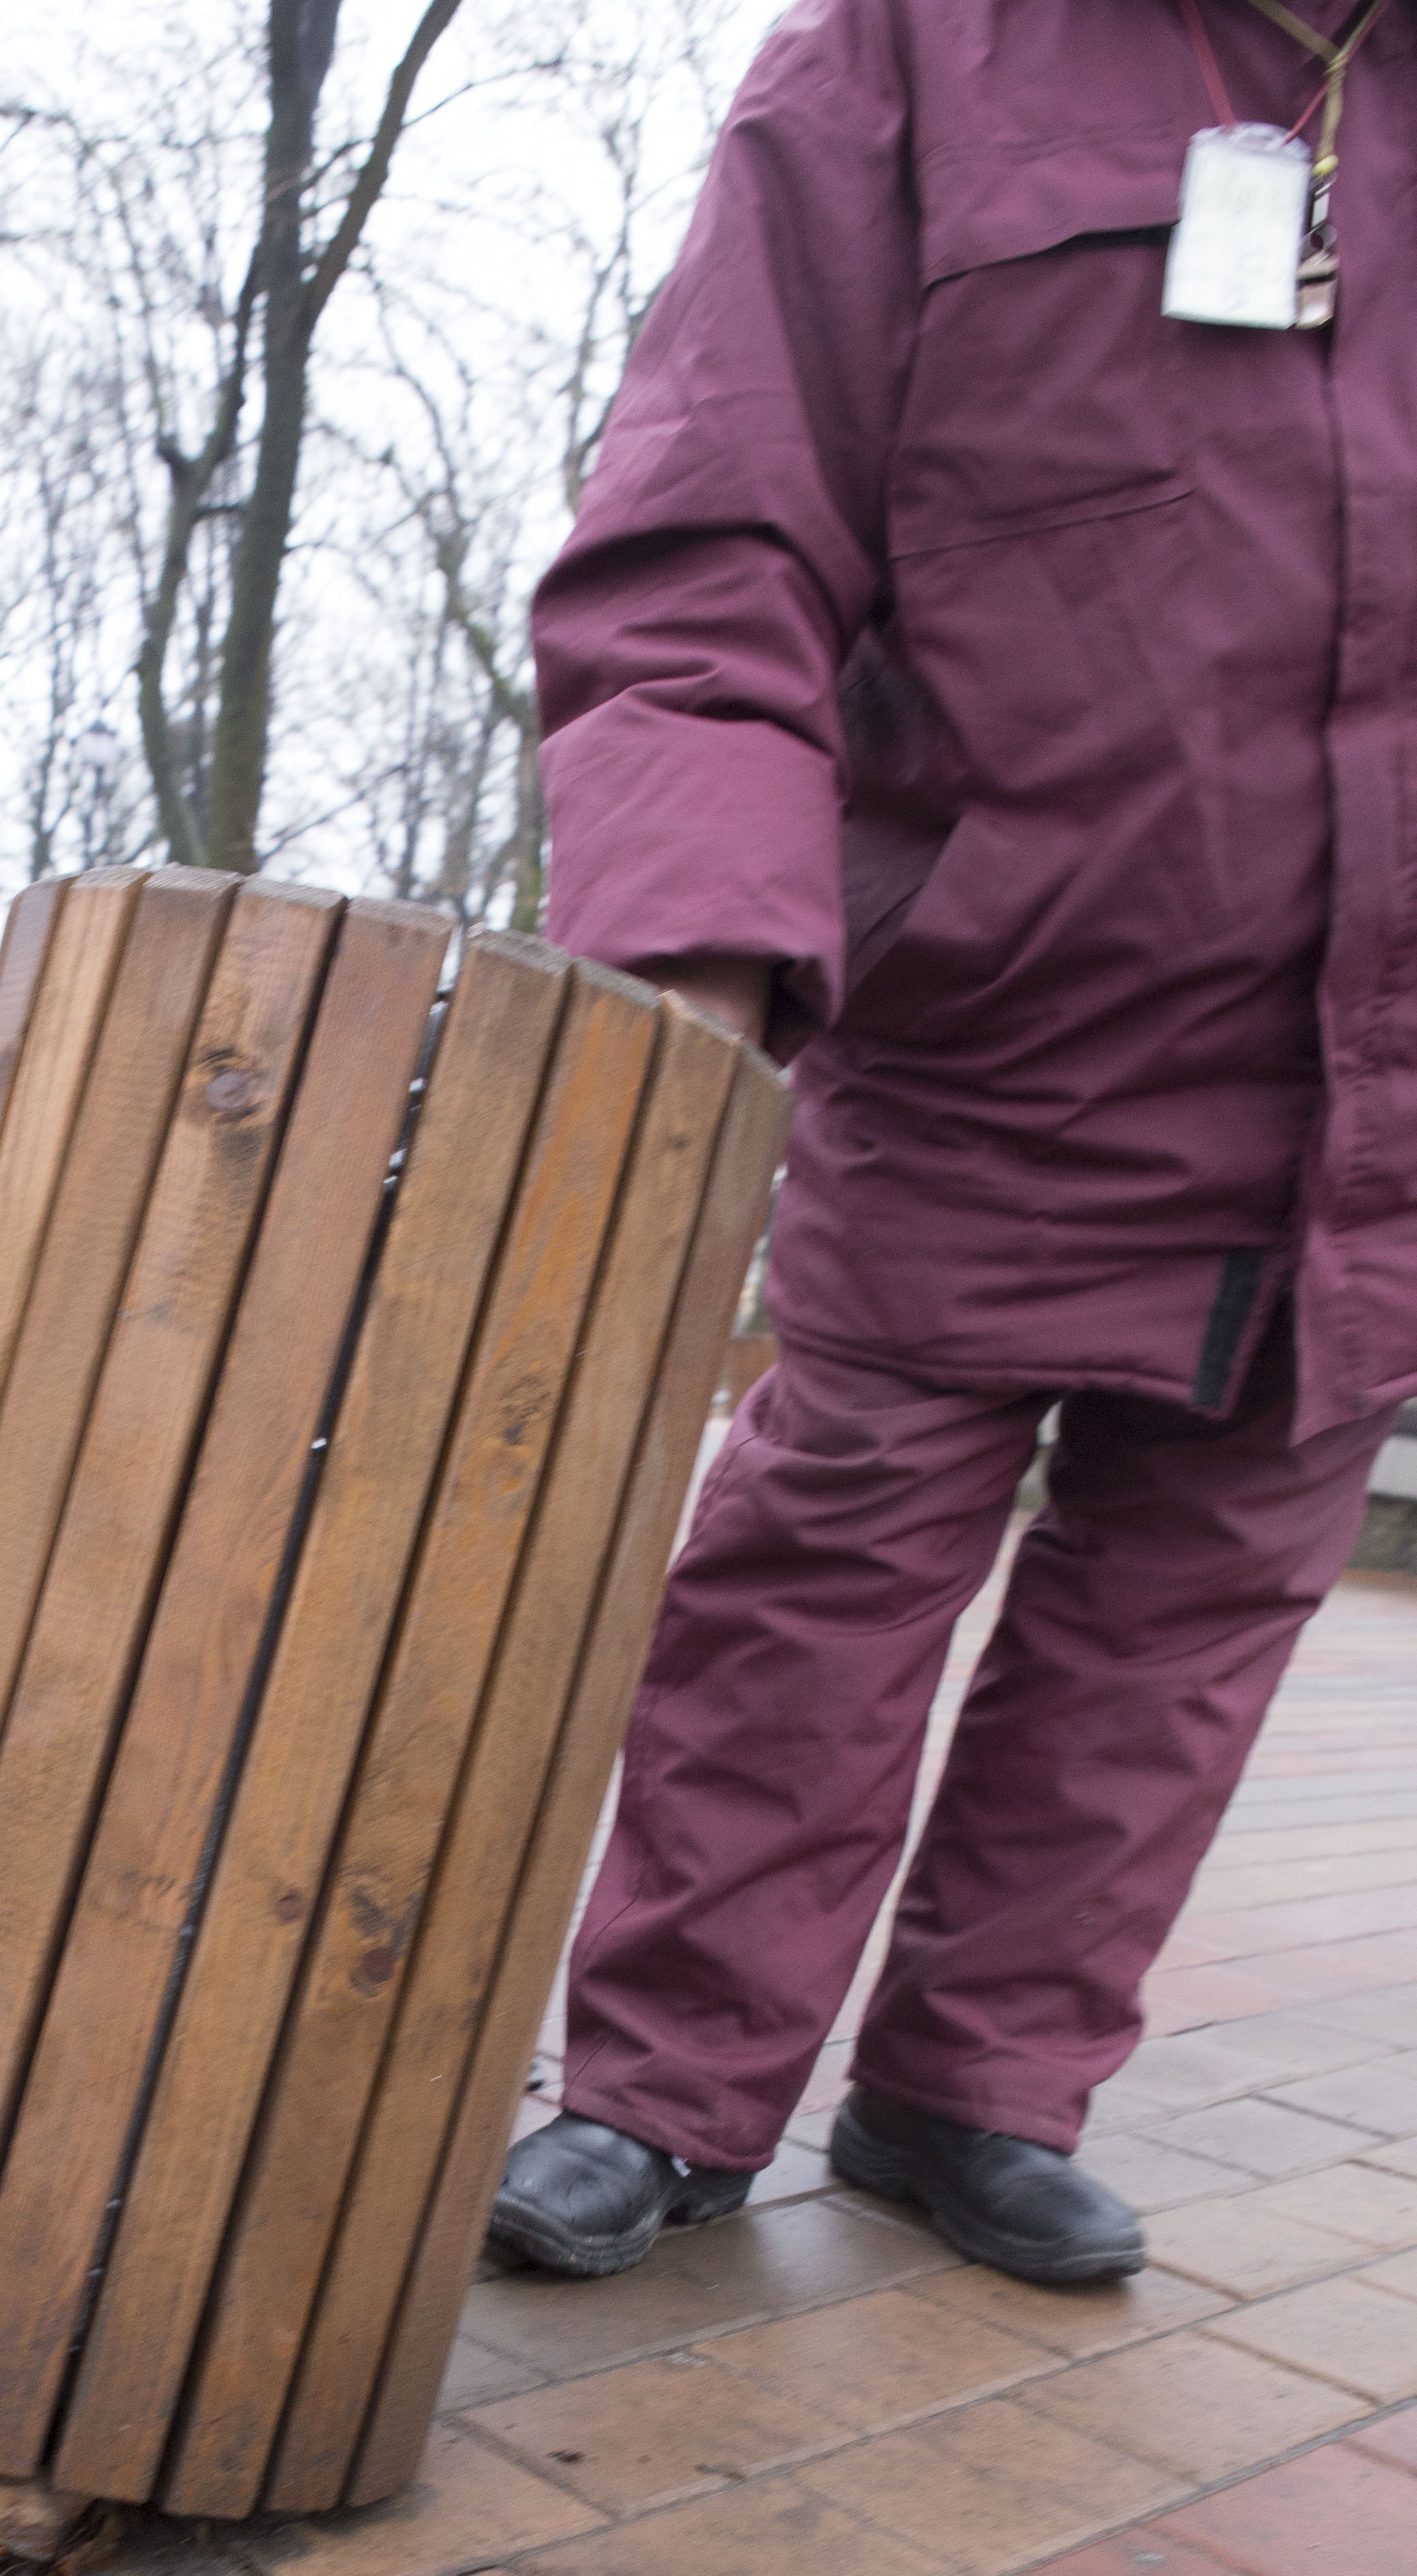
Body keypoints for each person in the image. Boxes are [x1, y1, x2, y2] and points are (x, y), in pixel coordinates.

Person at [492, 0, 1416, 2295]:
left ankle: (971, 2091)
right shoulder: (912, 51)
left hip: (1375, 1083)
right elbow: (712, 524)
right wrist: (696, 933)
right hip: (996, 1009)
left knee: (1180, 1622)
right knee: (816, 1570)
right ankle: (667, 2089)